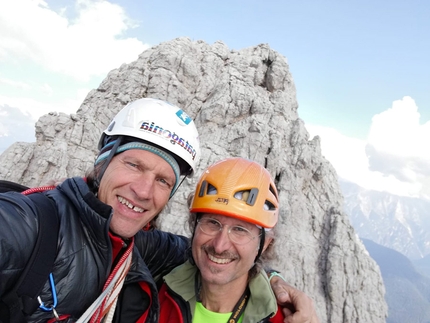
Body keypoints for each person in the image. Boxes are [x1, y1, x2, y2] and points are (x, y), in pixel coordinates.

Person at [0, 98, 317, 323]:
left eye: (163, 180)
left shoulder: (142, 248)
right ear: (104, 160)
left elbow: (217, 255)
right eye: (134, 164)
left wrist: (275, 282)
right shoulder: (28, 226)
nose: (143, 191)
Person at [158, 157, 320, 323]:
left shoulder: (284, 319)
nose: (220, 246)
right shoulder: (155, 288)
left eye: (239, 230)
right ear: (195, 227)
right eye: (213, 223)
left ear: (263, 245)